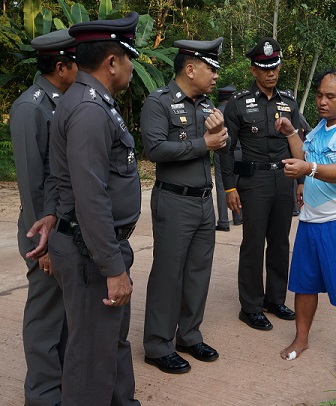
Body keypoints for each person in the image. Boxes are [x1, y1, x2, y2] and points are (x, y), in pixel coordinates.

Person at [48, 12, 141, 405]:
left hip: (99, 248)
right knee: (90, 361)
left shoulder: (96, 102)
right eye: (130, 58)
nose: (133, 68)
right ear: (113, 61)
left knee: (110, 344)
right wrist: (113, 269)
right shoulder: (89, 109)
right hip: (93, 253)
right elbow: (90, 197)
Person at [141, 38, 228, 374]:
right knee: (167, 275)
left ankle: (189, 335)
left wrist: (219, 133)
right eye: (212, 68)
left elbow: (224, 144)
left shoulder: (207, 105)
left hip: (204, 202)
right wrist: (201, 143)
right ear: (190, 68)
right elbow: (155, 150)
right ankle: (157, 345)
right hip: (174, 200)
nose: (216, 76)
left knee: (197, 273)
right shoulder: (158, 102)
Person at [278, 68, 336, 374]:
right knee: (304, 287)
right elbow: (305, 154)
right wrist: (292, 133)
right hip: (310, 223)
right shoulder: (318, 129)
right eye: (319, 95)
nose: (321, 101)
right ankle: (301, 339)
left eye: (330, 96)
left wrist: (309, 170)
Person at [10, 29, 77, 406]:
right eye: (76, 64)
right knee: (45, 317)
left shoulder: (62, 102)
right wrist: (42, 244)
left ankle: (62, 386)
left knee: (65, 316)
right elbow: (32, 183)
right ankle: (41, 395)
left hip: (64, 229)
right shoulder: (31, 108)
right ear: (61, 67)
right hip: (43, 233)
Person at [220, 37, 302, 330]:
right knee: (253, 243)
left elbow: (299, 142)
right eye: (264, 68)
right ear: (253, 70)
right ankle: (251, 306)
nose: (270, 73)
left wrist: (301, 181)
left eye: (274, 67)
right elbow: (225, 149)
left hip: (284, 179)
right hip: (253, 182)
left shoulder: (289, 102)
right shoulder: (238, 104)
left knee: (280, 242)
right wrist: (230, 187)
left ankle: (275, 299)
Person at [213, 84, 243, 230]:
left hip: (222, 151)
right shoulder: (239, 109)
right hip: (240, 152)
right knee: (237, 184)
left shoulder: (216, 111)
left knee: (221, 186)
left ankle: (224, 221)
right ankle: (238, 217)